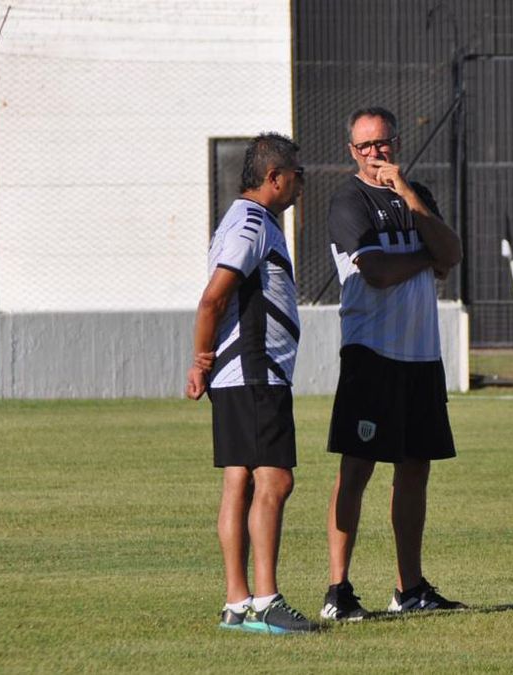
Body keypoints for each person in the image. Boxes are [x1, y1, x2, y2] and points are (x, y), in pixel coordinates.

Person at [319, 106, 465, 621]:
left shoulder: (415, 195)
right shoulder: (348, 200)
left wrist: (407, 195)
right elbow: (377, 271)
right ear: (351, 151)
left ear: (396, 144)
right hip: (372, 354)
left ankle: (410, 587)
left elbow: (454, 251)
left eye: (382, 143)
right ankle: (338, 589)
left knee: (415, 470)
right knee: (356, 469)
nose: (375, 153)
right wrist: (428, 260)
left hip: (421, 354)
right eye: (364, 146)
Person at [185, 132, 319, 634]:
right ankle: (265, 600)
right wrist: (200, 360)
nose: (300, 185)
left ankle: (237, 604)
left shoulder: (239, 220)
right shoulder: (251, 223)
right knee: (276, 480)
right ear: (274, 178)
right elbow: (213, 298)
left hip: (244, 373)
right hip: (254, 370)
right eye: (297, 176)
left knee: (239, 481)